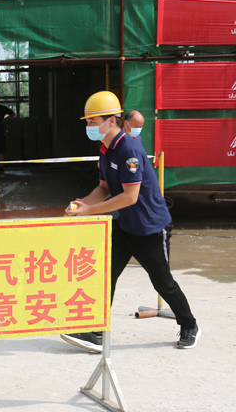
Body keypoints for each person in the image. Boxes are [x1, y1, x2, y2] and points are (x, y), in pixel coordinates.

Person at [60, 91, 200, 353]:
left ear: (111, 121)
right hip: (124, 226)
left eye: (92, 121)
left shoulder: (129, 149)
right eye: (87, 121)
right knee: (105, 276)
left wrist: (90, 211)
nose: (89, 126)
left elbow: (130, 196)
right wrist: (82, 204)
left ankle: (189, 325)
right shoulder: (105, 150)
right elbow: (104, 188)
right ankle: (96, 331)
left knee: (162, 283)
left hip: (149, 228)